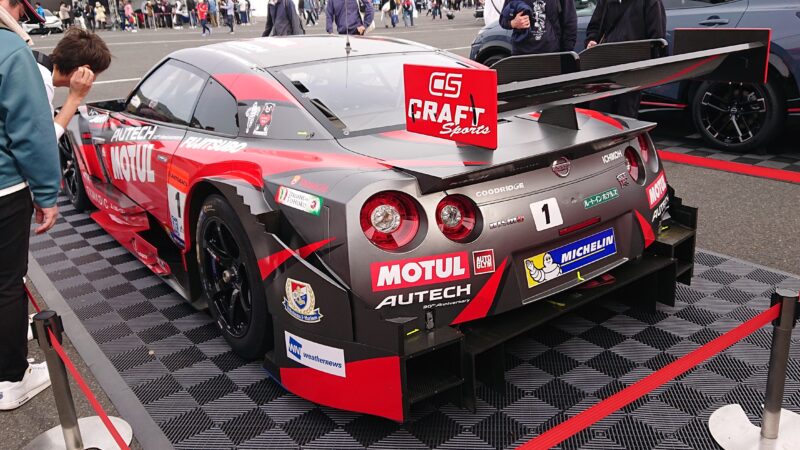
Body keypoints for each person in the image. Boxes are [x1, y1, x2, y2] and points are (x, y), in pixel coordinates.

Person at [0, 0, 61, 411]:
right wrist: (46, 194)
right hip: (4, 188)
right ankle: (10, 379)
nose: (22, 19)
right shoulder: (9, 50)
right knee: (7, 283)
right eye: (22, 11)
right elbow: (31, 132)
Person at [585, 0, 665, 118]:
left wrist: (648, 68)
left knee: (626, 115)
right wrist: (592, 40)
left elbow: (657, 36)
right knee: (599, 115)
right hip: (605, 66)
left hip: (633, 69)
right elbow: (594, 26)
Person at [36, 29, 111, 141]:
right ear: (84, 70)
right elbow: (45, 141)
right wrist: (75, 97)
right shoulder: (41, 82)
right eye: (96, 75)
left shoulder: (35, 62)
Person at [499, 0, 577, 56]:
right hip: (521, 54)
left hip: (551, 54)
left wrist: (566, 53)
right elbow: (503, 20)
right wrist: (513, 23)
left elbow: (570, 21)